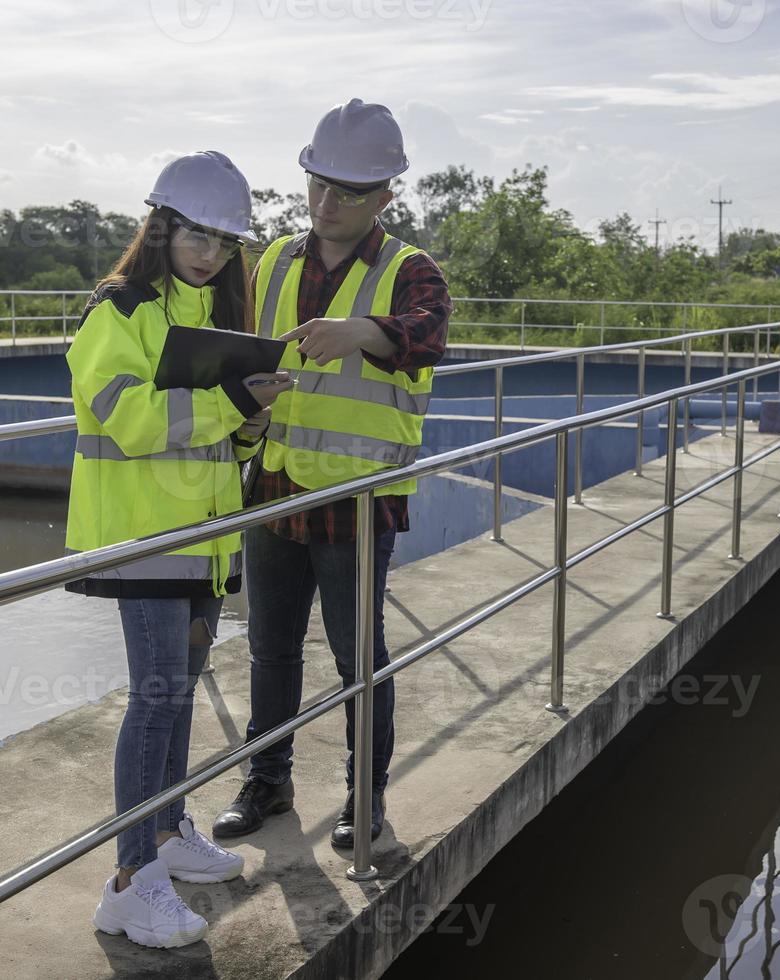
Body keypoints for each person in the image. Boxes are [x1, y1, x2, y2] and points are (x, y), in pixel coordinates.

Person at [65, 150, 291, 948]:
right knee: (156, 697)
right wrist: (227, 401)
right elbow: (128, 421)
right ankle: (130, 882)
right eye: (199, 235)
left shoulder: (206, 317)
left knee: (180, 693)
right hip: (142, 539)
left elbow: (210, 439)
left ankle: (166, 833)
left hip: (203, 540)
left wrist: (249, 422)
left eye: (226, 243)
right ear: (160, 226)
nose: (211, 254)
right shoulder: (118, 310)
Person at [211, 100, 451, 850]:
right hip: (274, 484)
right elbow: (237, 344)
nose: (326, 202)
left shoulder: (409, 271)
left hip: (356, 496)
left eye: (348, 191)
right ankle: (267, 781)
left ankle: (363, 797)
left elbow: (429, 337)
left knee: (357, 659)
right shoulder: (275, 261)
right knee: (270, 649)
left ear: (384, 195)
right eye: (318, 184)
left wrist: (365, 332)